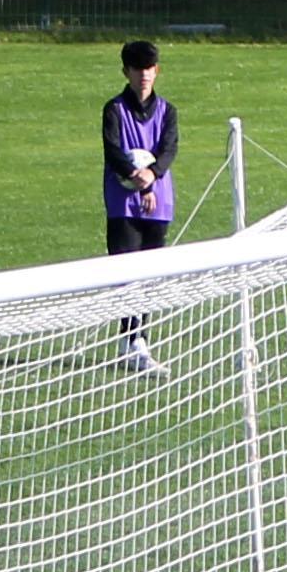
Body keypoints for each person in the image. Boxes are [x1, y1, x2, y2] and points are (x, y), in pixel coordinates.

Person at [102, 39, 181, 377]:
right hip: (124, 200)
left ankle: (139, 339)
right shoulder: (114, 109)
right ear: (126, 72)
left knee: (149, 274)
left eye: (149, 69)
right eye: (137, 69)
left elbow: (168, 149)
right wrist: (137, 178)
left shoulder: (168, 111)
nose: (144, 75)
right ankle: (132, 340)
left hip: (158, 201)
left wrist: (152, 177)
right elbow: (113, 150)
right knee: (127, 270)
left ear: (156, 71)